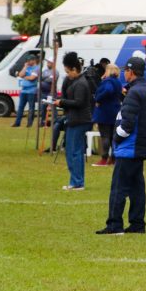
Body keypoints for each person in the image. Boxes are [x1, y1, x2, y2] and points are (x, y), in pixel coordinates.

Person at [97, 56, 146, 235]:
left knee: (118, 188)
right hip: (141, 147)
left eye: (126, 71)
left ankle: (114, 224)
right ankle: (138, 224)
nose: (124, 74)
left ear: (131, 72)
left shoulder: (134, 93)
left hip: (129, 148)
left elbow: (127, 123)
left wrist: (117, 138)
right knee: (137, 189)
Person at [53, 52, 93, 191]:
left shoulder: (81, 84)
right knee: (74, 151)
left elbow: (79, 102)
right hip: (74, 119)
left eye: (68, 71)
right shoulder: (74, 81)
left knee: (73, 152)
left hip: (79, 120)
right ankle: (76, 181)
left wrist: (62, 102)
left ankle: (77, 182)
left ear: (75, 69)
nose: (67, 74)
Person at [91, 63, 123, 167]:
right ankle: (113, 158)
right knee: (113, 136)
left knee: (105, 135)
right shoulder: (118, 82)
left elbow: (108, 90)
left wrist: (98, 98)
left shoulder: (108, 81)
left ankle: (104, 158)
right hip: (115, 111)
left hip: (105, 111)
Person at [12, 54, 39, 127]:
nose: (28, 62)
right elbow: (20, 75)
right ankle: (17, 123)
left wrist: (26, 77)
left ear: (34, 60)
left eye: (29, 60)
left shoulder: (37, 68)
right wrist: (25, 67)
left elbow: (32, 78)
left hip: (31, 91)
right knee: (20, 107)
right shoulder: (27, 67)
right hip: (23, 90)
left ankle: (29, 124)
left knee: (31, 108)